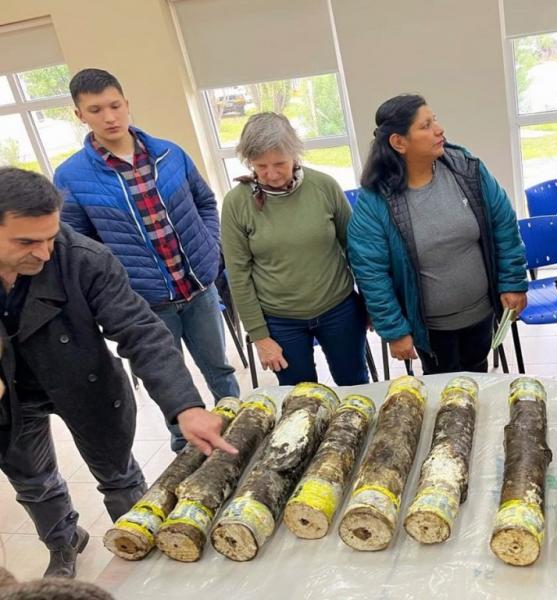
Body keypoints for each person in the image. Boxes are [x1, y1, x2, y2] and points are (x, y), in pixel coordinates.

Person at [0, 168, 236, 579]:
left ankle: (142, 545)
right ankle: (63, 542)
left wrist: (186, 405)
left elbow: (139, 329)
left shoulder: (84, 258)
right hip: (14, 394)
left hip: (82, 380)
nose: (43, 253)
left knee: (118, 475)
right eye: (26, 242)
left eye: (51, 237)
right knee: (33, 482)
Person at [53, 68, 239, 449]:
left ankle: (241, 430)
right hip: (144, 306)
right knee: (167, 380)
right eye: (95, 109)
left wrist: (208, 250)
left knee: (219, 369)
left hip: (198, 289)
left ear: (127, 103)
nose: (109, 117)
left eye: (115, 105)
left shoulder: (171, 154)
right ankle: (185, 450)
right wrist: (118, 288)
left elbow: (205, 202)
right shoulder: (71, 176)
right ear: (79, 115)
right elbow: (78, 248)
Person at [348, 94, 528, 374]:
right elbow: (371, 272)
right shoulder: (375, 201)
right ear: (399, 142)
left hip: (482, 313)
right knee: (443, 389)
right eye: (426, 125)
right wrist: (395, 330)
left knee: (477, 375)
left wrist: (512, 282)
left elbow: (503, 225)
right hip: (430, 328)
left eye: (435, 119)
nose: (439, 129)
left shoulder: (467, 169)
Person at [221, 112, 369, 386]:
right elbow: (239, 275)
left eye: (280, 163)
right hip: (280, 320)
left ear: (295, 155)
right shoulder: (236, 203)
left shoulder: (324, 186)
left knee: (355, 385)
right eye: (260, 166)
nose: (271, 174)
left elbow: (356, 249)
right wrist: (260, 336)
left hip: (339, 309)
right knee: (300, 398)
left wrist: (371, 302)